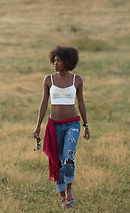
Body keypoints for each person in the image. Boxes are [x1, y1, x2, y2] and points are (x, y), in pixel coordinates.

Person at [32, 45, 90, 208]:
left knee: (68, 158)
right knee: (57, 161)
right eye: (54, 60)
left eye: (59, 60)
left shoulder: (76, 80)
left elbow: (81, 103)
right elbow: (44, 103)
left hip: (72, 123)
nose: (55, 63)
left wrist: (86, 125)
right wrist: (38, 126)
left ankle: (69, 188)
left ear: (68, 61)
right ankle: (63, 198)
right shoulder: (48, 79)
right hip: (54, 125)